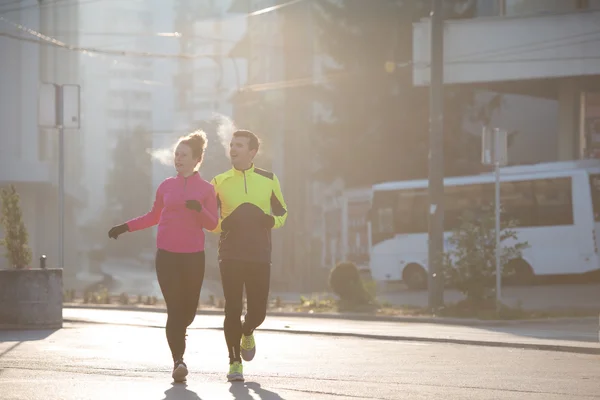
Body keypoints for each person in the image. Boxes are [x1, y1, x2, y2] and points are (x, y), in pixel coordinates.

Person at [107, 131, 218, 383]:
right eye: (176, 154)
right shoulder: (166, 186)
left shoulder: (206, 189)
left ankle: (181, 336)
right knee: (174, 309)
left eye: (183, 155)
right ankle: (178, 360)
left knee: (188, 312)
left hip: (193, 257)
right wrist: (124, 227)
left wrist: (199, 209)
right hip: (167, 256)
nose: (178, 158)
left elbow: (213, 224)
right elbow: (153, 216)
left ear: (196, 159)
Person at [209, 129, 288, 382]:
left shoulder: (269, 179)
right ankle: (234, 362)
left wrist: (268, 221)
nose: (233, 149)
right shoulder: (219, 182)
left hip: (259, 255)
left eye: (239, 145)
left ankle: (248, 329)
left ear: (252, 152)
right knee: (232, 309)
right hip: (230, 254)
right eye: (231, 144)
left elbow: (283, 214)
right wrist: (225, 225)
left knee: (258, 312)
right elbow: (209, 221)